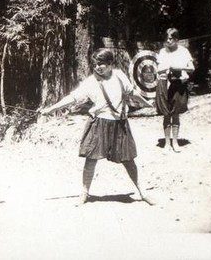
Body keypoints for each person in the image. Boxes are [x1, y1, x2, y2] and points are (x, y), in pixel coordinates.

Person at [40, 48, 155, 206]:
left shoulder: (120, 76)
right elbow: (72, 98)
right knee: (90, 160)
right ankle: (85, 193)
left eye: (101, 64)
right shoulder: (90, 82)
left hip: (120, 124)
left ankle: (143, 193)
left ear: (110, 64)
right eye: (95, 64)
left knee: (129, 160)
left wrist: (148, 104)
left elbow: (132, 92)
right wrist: (51, 109)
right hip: (99, 123)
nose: (98, 67)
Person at [155, 28, 195, 153]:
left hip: (178, 84)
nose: (168, 40)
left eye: (171, 38)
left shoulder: (183, 51)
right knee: (166, 114)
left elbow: (192, 68)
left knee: (176, 113)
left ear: (177, 39)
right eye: (167, 38)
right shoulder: (162, 52)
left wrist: (178, 68)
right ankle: (167, 144)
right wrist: (165, 69)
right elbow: (157, 69)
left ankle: (175, 142)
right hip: (164, 83)